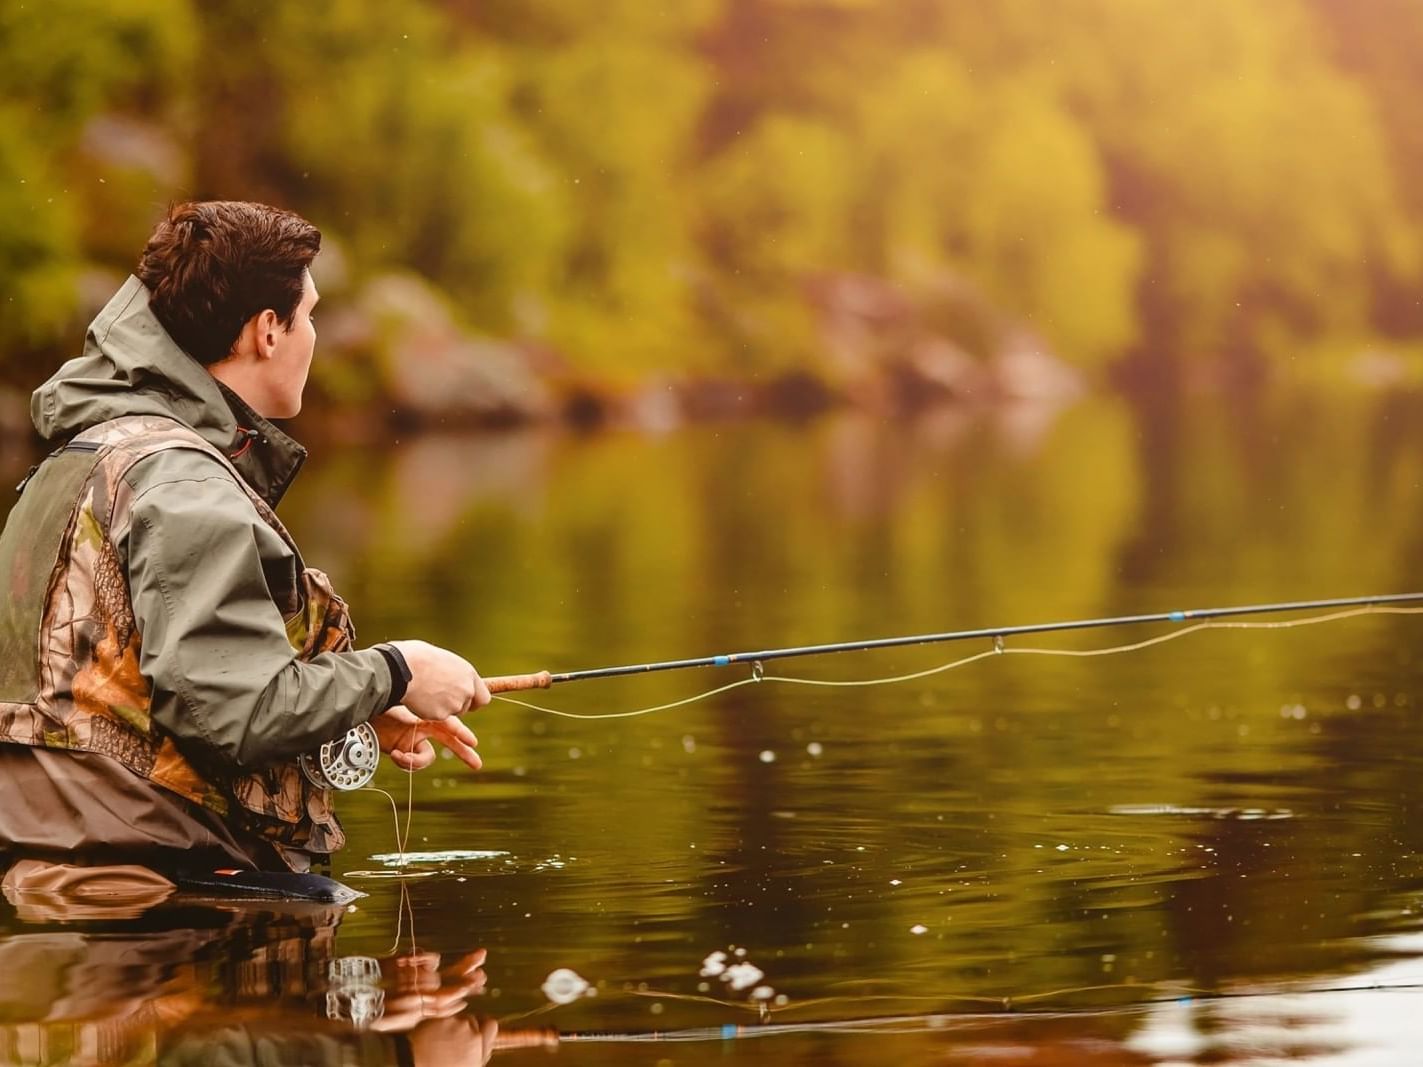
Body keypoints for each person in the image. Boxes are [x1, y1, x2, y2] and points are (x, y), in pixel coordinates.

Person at [0, 200, 491, 880]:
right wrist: (398, 669)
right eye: (309, 315)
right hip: (166, 903)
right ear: (266, 330)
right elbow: (233, 715)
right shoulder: (182, 484)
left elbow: (138, 696)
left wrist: (356, 709)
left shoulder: (81, 457)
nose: (313, 334)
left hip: (65, 877)